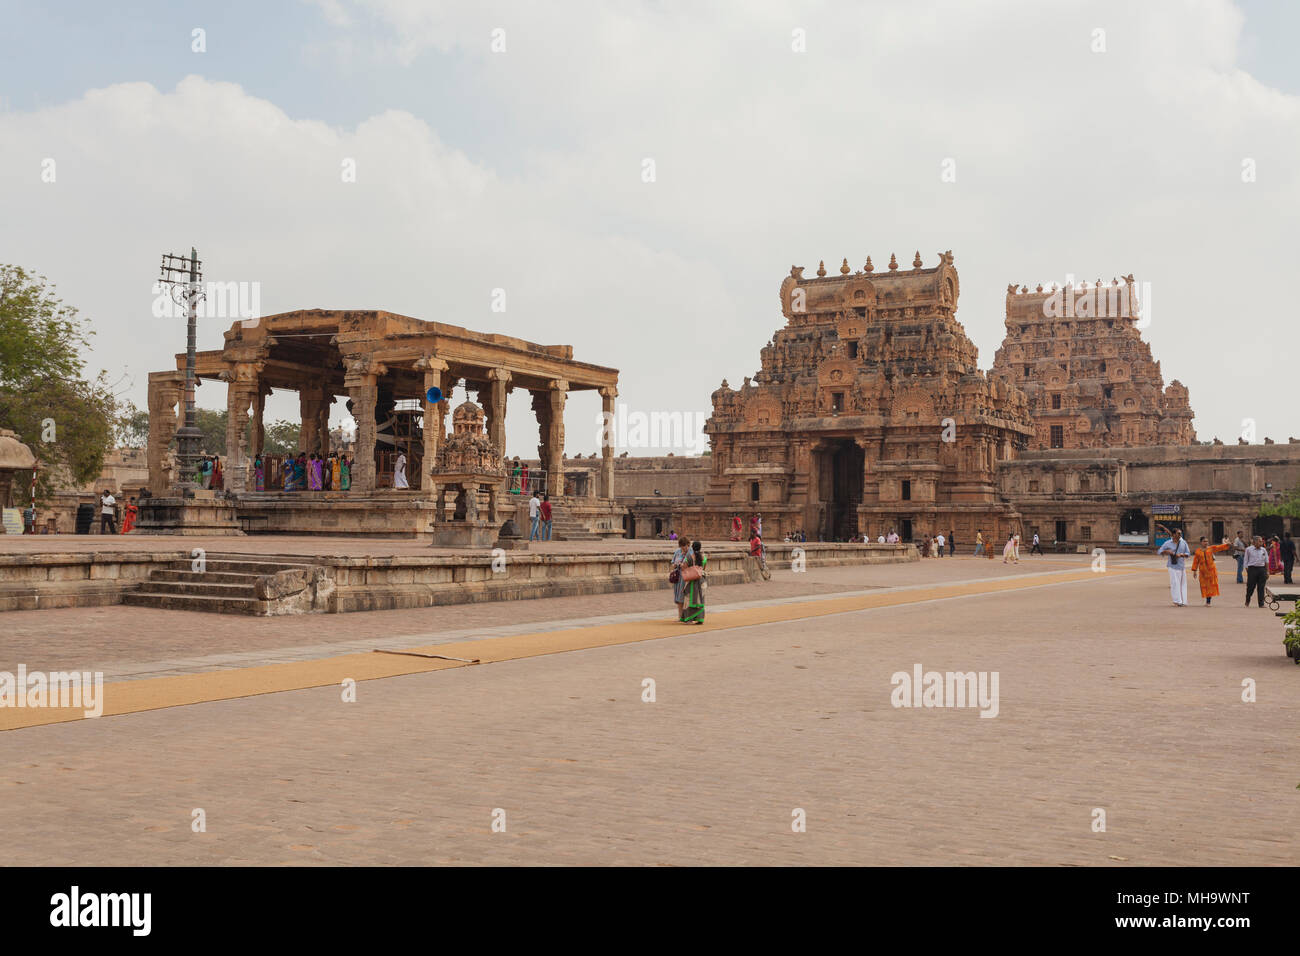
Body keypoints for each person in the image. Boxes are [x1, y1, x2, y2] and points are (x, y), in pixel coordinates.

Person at [1155, 524, 1191, 607]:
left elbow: (1188, 553)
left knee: (1183, 584)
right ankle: (1176, 601)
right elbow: (1159, 551)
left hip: (1181, 566)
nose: (1180, 535)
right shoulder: (1168, 543)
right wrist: (1167, 552)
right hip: (1172, 565)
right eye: (1178, 533)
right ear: (1174, 534)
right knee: (1175, 583)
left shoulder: (1183, 542)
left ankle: (1183, 601)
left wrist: (1181, 555)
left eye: (1180, 533)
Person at [1191, 535, 1230, 605]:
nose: (1206, 543)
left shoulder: (1211, 548)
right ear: (1201, 542)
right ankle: (1207, 598)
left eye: (1207, 541)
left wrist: (1227, 545)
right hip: (1203, 572)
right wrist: (1194, 571)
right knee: (1204, 585)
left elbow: (1219, 547)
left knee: (1210, 586)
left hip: (1211, 571)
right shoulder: (1198, 551)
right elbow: (1195, 562)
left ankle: (1208, 601)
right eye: (1204, 541)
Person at [680, 540, 707, 624]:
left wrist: (681, 565)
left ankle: (689, 618)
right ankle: (699, 619)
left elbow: (684, 568)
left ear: (692, 547)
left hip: (691, 581)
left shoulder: (689, 557)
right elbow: (704, 568)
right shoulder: (704, 557)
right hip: (701, 581)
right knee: (700, 599)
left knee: (688, 599)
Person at [1244, 535, 1270, 608]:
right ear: (1254, 542)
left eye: (1261, 541)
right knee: (1250, 587)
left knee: (1261, 587)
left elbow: (1266, 561)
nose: (1261, 542)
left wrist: (1267, 571)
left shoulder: (1263, 550)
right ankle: (1247, 600)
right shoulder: (1248, 549)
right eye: (1260, 541)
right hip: (1252, 569)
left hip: (1261, 569)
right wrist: (1248, 571)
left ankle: (1261, 603)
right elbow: (1245, 561)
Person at [670, 538, 690, 618]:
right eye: (681, 546)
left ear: (688, 545)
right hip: (678, 577)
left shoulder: (690, 552)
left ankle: (686, 616)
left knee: (684, 596)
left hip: (686, 576)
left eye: (684, 546)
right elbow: (672, 563)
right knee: (678, 596)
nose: (683, 548)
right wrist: (676, 564)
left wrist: (683, 565)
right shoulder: (677, 552)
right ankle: (680, 616)